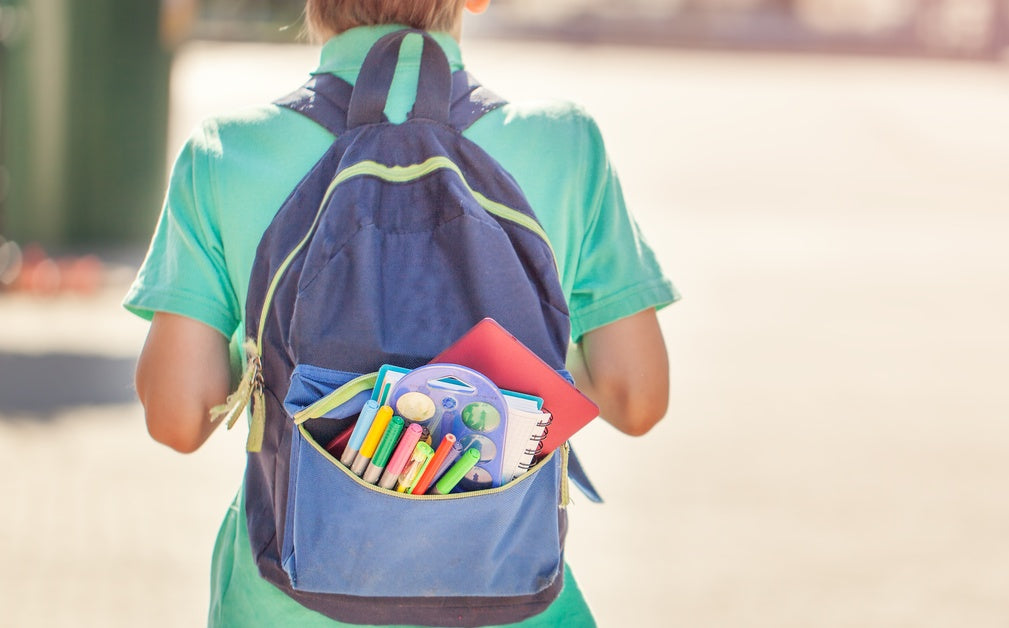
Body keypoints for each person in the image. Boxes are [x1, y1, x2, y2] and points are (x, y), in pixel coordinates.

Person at [124, 0, 679, 625]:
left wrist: (258, 348)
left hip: (286, 598)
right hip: (514, 598)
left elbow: (176, 418)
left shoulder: (226, 152)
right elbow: (637, 397)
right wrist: (522, 366)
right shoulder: (566, 143)